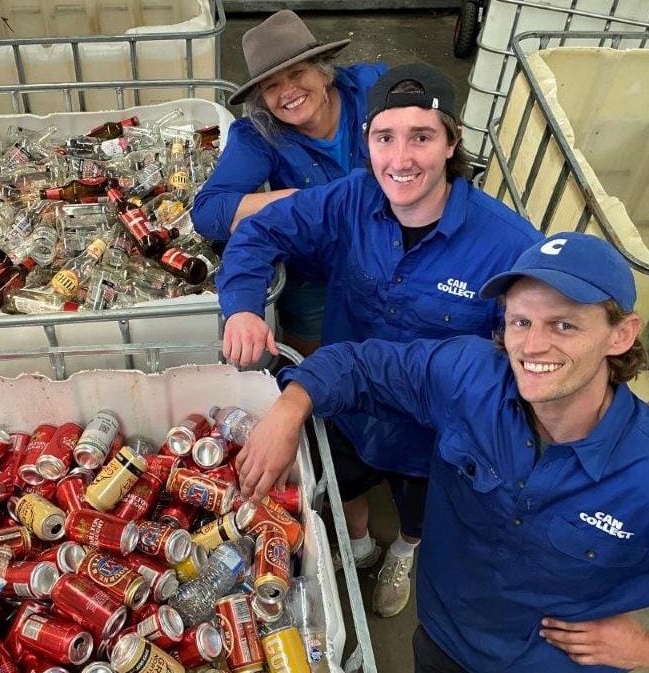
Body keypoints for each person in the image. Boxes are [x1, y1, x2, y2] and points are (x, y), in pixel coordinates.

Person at [236, 232, 649, 673]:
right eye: (521, 321)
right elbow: (363, 366)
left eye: (564, 324)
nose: (533, 346)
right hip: (441, 636)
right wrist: (290, 409)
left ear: (621, 335)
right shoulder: (472, 377)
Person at [216, 63, 541, 617]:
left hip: (433, 433)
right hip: (347, 404)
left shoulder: (508, 246)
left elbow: (535, 351)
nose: (402, 158)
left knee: (419, 508)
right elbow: (258, 229)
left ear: (451, 142)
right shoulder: (350, 198)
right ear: (367, 144)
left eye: (422, 137)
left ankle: (404, 551)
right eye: (385, 138)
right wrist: (243, 308)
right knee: (343, 481)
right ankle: (359, 542)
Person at [191, 10, 386, 356]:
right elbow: (208, 212)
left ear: (323, 71)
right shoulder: (259, 133)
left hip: (390, 249)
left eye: (297, 73)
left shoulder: (372, 88)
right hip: (315, 269)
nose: (288, 92)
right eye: (272, 86)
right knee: (314, 362)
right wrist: (299, 200)